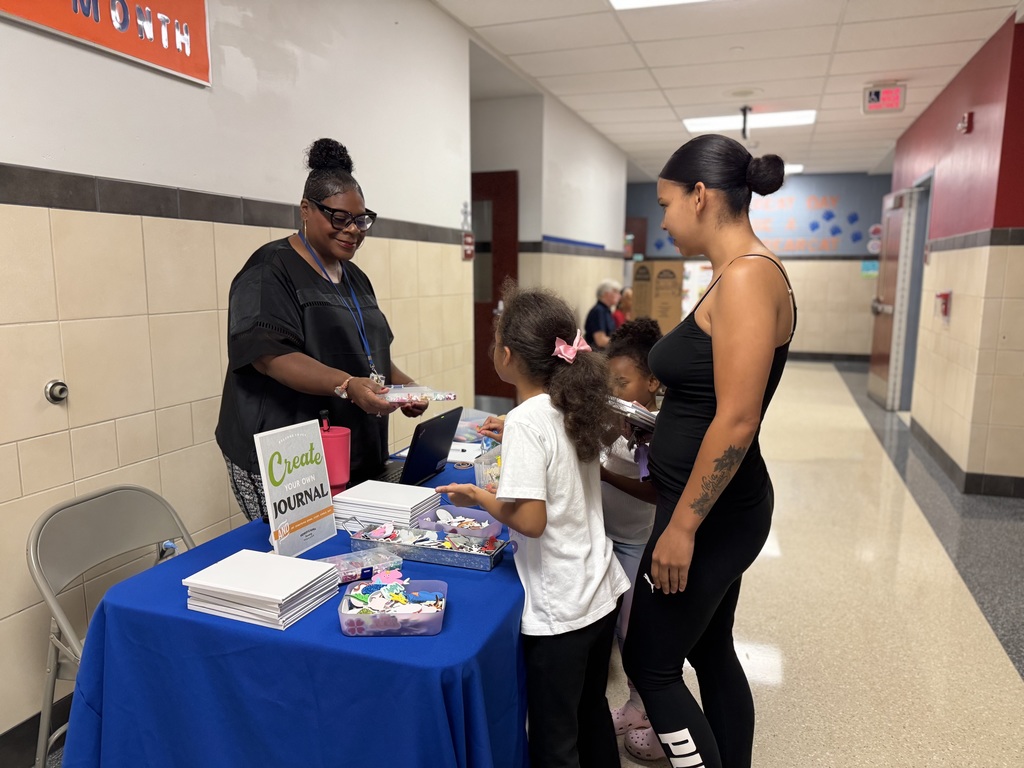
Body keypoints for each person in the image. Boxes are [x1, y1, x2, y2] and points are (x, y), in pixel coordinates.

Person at [619, 134, 797, 767]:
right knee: (709, 649)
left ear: (700, 195)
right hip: (708, 500)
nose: (663, 219)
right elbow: (709, 395)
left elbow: (739, 417)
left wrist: (683, 527)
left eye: (666, 203)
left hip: (711, 511)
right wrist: (655, 425)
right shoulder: (734, 274)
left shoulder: (748, 277)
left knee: (651, 663)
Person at [437, 279, 629, 768]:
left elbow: (531, 520)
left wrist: (479, 496)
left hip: (560, 610)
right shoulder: (570, 403)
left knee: (554, 737)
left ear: (506, 355)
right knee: (592, 712)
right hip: (599, 591)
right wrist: (516, 435)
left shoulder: (527, 420)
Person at [216, 138, 427, 522]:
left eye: (361, 220)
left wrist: (404, 387)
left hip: (351, 451)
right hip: (287, 460)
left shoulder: (355, 278)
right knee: (298, 559)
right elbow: (271, 356)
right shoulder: (268, 271)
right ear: (306, 210)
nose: (353, 230)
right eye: (339, 218)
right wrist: (347, 385)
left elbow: (370, 355)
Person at [600, 318, 662, 741]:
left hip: (636, 542)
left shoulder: (660, 429)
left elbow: (654, 490)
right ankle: (628, 703)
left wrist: (601, 475)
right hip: (602, 535)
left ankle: (648, 709)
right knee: (611, 627)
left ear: (653, 381)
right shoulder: (613, 416)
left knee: (634, 631)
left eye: (622, 382)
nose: (613, 391)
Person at [584, 279, 622, 350]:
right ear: (607, 294)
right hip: (597, 356)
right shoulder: (598, 311)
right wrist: (621, 342)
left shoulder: (606, 311)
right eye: (616, 292)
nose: (619, 296)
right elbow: (600, 341)